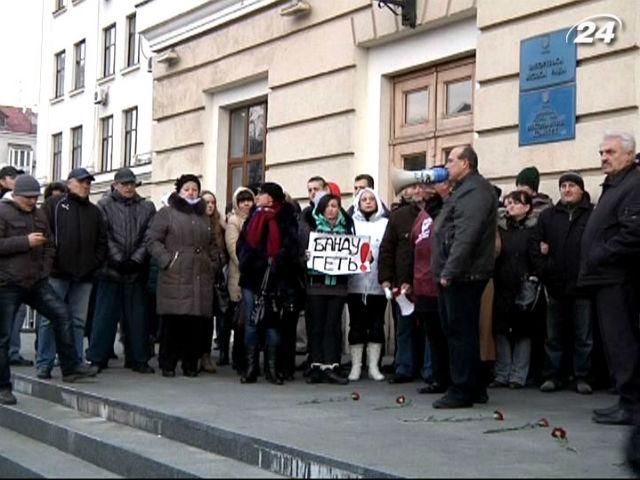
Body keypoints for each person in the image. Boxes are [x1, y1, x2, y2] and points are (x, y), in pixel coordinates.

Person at [0, 175, 98, 404]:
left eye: (35, 198)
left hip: (36, 282)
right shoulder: (2, 212)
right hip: (7, 284)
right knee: (3, 337)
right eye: (28, 198)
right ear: (16, 196)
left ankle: (70, 367)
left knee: (62, 315)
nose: (32, 202)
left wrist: (44, 271)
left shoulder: (39, 214)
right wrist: (24, 242)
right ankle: (3, 386)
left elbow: (50, 245)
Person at [578, 132, 640, 425]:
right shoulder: (615, 184)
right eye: (601, 152)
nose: (604, 157)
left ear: (629, 155)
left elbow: (633, 233)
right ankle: (625, 401)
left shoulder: (634, 184)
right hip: (604, 277)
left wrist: (600, 253)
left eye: (611, 152)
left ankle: (632, 406)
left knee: (623, 342)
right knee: (615, 344)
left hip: (619, 277)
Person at [431, 146, 497, 409]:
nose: (446, 165)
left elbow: (466, 235)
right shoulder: (465, 190)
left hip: (464, 274)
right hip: (461, 273)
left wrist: (450, 271)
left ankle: (462, 389)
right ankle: (474, 386)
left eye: (450, 160)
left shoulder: (475, 191)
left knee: (460, 331)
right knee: (460, 330)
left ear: (466, 164)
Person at [147, 174, 221, 378]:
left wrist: (212, 263)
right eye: (187, 189)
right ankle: (168, 363)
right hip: (175, 275)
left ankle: (191, 363)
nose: (191, 192)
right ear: (179, 191)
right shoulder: (167, 213)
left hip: (200, 276)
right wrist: (167, 260)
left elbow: (213, 244)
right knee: (173, 323)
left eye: (195, 189)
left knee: (194, 324)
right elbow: (152, 240)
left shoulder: (203, 216)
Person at [37, 168, 107, 377]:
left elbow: (102, 243)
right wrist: (50, 264)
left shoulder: (95, 212)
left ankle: (75, 362)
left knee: (78, 321)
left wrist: (92, 264)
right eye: (82, 181)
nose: (86, 185)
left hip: (84, 276)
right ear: (69, 183)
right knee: (50, 318)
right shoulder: (53, 205)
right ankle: (44, 362)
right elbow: (43, 236)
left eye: (88, 182)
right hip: (57, 274)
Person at [85, 168, 156, 374]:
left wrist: (135, 259)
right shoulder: (103, 205)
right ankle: (97, 357)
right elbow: (103, 235)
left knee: (137, 319)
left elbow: (149, 236)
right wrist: (117, 259)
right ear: (115, 185)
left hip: (135, 271)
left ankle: (138, 358)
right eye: (124, 184)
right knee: (104, 318)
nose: (129, 187)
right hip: (110, 270)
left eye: (132, 184)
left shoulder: (147, 206)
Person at [535, 172, 594, 394]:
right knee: (553, 336)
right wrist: (546, 269)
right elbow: (536, 246)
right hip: (555, 285)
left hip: (583, 285)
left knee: (584, 336)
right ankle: (552, 376)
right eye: (563, 186)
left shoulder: (591, 214)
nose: (567, 190)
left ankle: (583, 377)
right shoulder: (548, 216)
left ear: (581, 189)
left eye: (572, 185)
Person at [237, 182, 301, 385]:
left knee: (273, 323)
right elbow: (243, 245)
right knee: (252, 322)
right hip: (252, 278)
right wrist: (253, 262)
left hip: (277, 279)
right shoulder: (253, 217)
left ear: (271, 198)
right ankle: (251, 368)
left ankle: (272, 369)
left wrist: (275, 262)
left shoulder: (286, 218)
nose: (257, 197)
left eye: (261, 194)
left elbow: (291, 247)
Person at [300, 193, 354, 384]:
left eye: (335, 206)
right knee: (316, 327)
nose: (332, 210)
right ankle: (316, 365)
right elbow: (300, 254)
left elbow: (355, 252)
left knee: (332, 326)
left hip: (337, 286)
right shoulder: (312, 228)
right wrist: (305, 257)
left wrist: (362, 259)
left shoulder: (347, 228)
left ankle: (331, 365)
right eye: (329, 206)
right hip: (316, 285)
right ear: (322, 209)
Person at [379, 182, 429, 384]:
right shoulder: (398, 217)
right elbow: (387, 249)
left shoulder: (439, 213)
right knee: (404, 327)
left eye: (421, 187)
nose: (417, 191)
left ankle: (430, 370)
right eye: (413, 187)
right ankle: (404, 367)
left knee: (429, 329)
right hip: (403, 283)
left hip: (428, 282)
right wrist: (385, 279)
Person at [490, 191, 540, 389]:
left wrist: (534, 277)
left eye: (515, 203)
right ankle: (502, 373)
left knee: (522, 331)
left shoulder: (534, 230)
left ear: (527, 207)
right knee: (501, 329)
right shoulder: (501, 228)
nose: (509, 207)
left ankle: (519, 375)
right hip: (502, 283)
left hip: (524, 284)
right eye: (508, 203)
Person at [347, 188, 388, 381]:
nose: (368, 202)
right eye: (364, 199)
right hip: (355, 284)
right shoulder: (351, 224)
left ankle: (374, 367)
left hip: (378, 284)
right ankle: (356, 366)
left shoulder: (386, 224)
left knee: (377, 324)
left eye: (372, 199)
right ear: (358, 202)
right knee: (356, 325)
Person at [412, 182, 450, 395]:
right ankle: (439, 378)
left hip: (440, 281)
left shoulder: (448, 209)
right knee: (433, 336)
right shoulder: (424, 214)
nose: (421, 189)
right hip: (422, 281)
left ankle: (451, 378)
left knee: (446, 334)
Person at [0, 166, 31, 367]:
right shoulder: (5, 206)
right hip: (6, 271)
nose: (16, 181)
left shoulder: (24, 205)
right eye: (12, 177)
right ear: (3, 180)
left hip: (16, 271)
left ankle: (12, 351)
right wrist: (25, 242)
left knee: (17, 312)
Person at [224, 187, 255, 374]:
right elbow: (233, 249)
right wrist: (248, 265)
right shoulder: (234, 221)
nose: (246, 204)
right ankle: (238, 359)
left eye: (249, 200)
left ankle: (247, 359)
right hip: (239, 277)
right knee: (240, 322)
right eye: (242, 200)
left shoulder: (256, 219)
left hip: (254, 279)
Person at [201, 190, 227, 372]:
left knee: (211, 318)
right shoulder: (196, 222)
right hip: (199, 276)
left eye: (213, 202)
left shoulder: (220, 225)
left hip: (216, 278)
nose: (210, 205)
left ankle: (206, 355)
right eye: (206, 202)